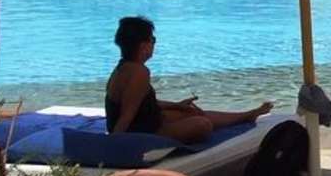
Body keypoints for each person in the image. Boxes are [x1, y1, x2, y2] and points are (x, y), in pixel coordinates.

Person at [105, 16, 271, 143]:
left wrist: (177, 105)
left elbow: (138, 102)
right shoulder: (139, 72)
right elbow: (126, 116)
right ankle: (246, 116)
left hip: (147, 122)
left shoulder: (124, 67)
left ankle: (246, 115)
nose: (154, 44)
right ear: (143, 46)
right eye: (152, 40)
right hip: (144, 133)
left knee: (189, 112)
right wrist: (115, 144)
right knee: (202, 124)